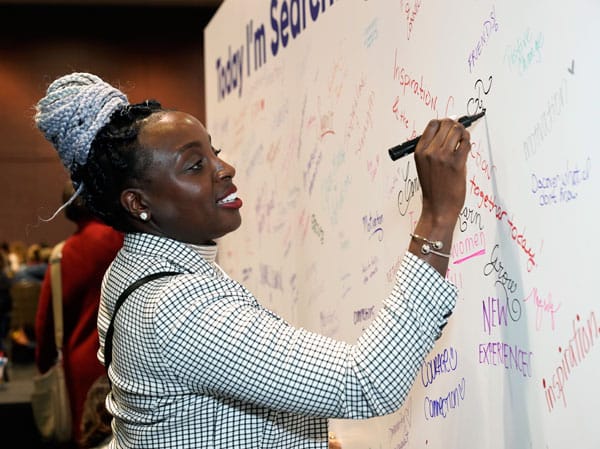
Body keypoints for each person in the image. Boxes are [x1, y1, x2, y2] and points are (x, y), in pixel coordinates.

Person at [34, 72, 471, 448]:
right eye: (194, 165)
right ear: (138, 203)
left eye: (214, 151)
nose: (225, 168)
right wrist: (436, 216)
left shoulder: (136, 267)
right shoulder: (177, 308)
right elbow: (367, 382)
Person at [34, 180, 124, 447]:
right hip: (131, 357)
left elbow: (45, 325)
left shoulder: (62, 257)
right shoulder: (126, 241)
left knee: (92, 436)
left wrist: (45, 364)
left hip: (82, 371)